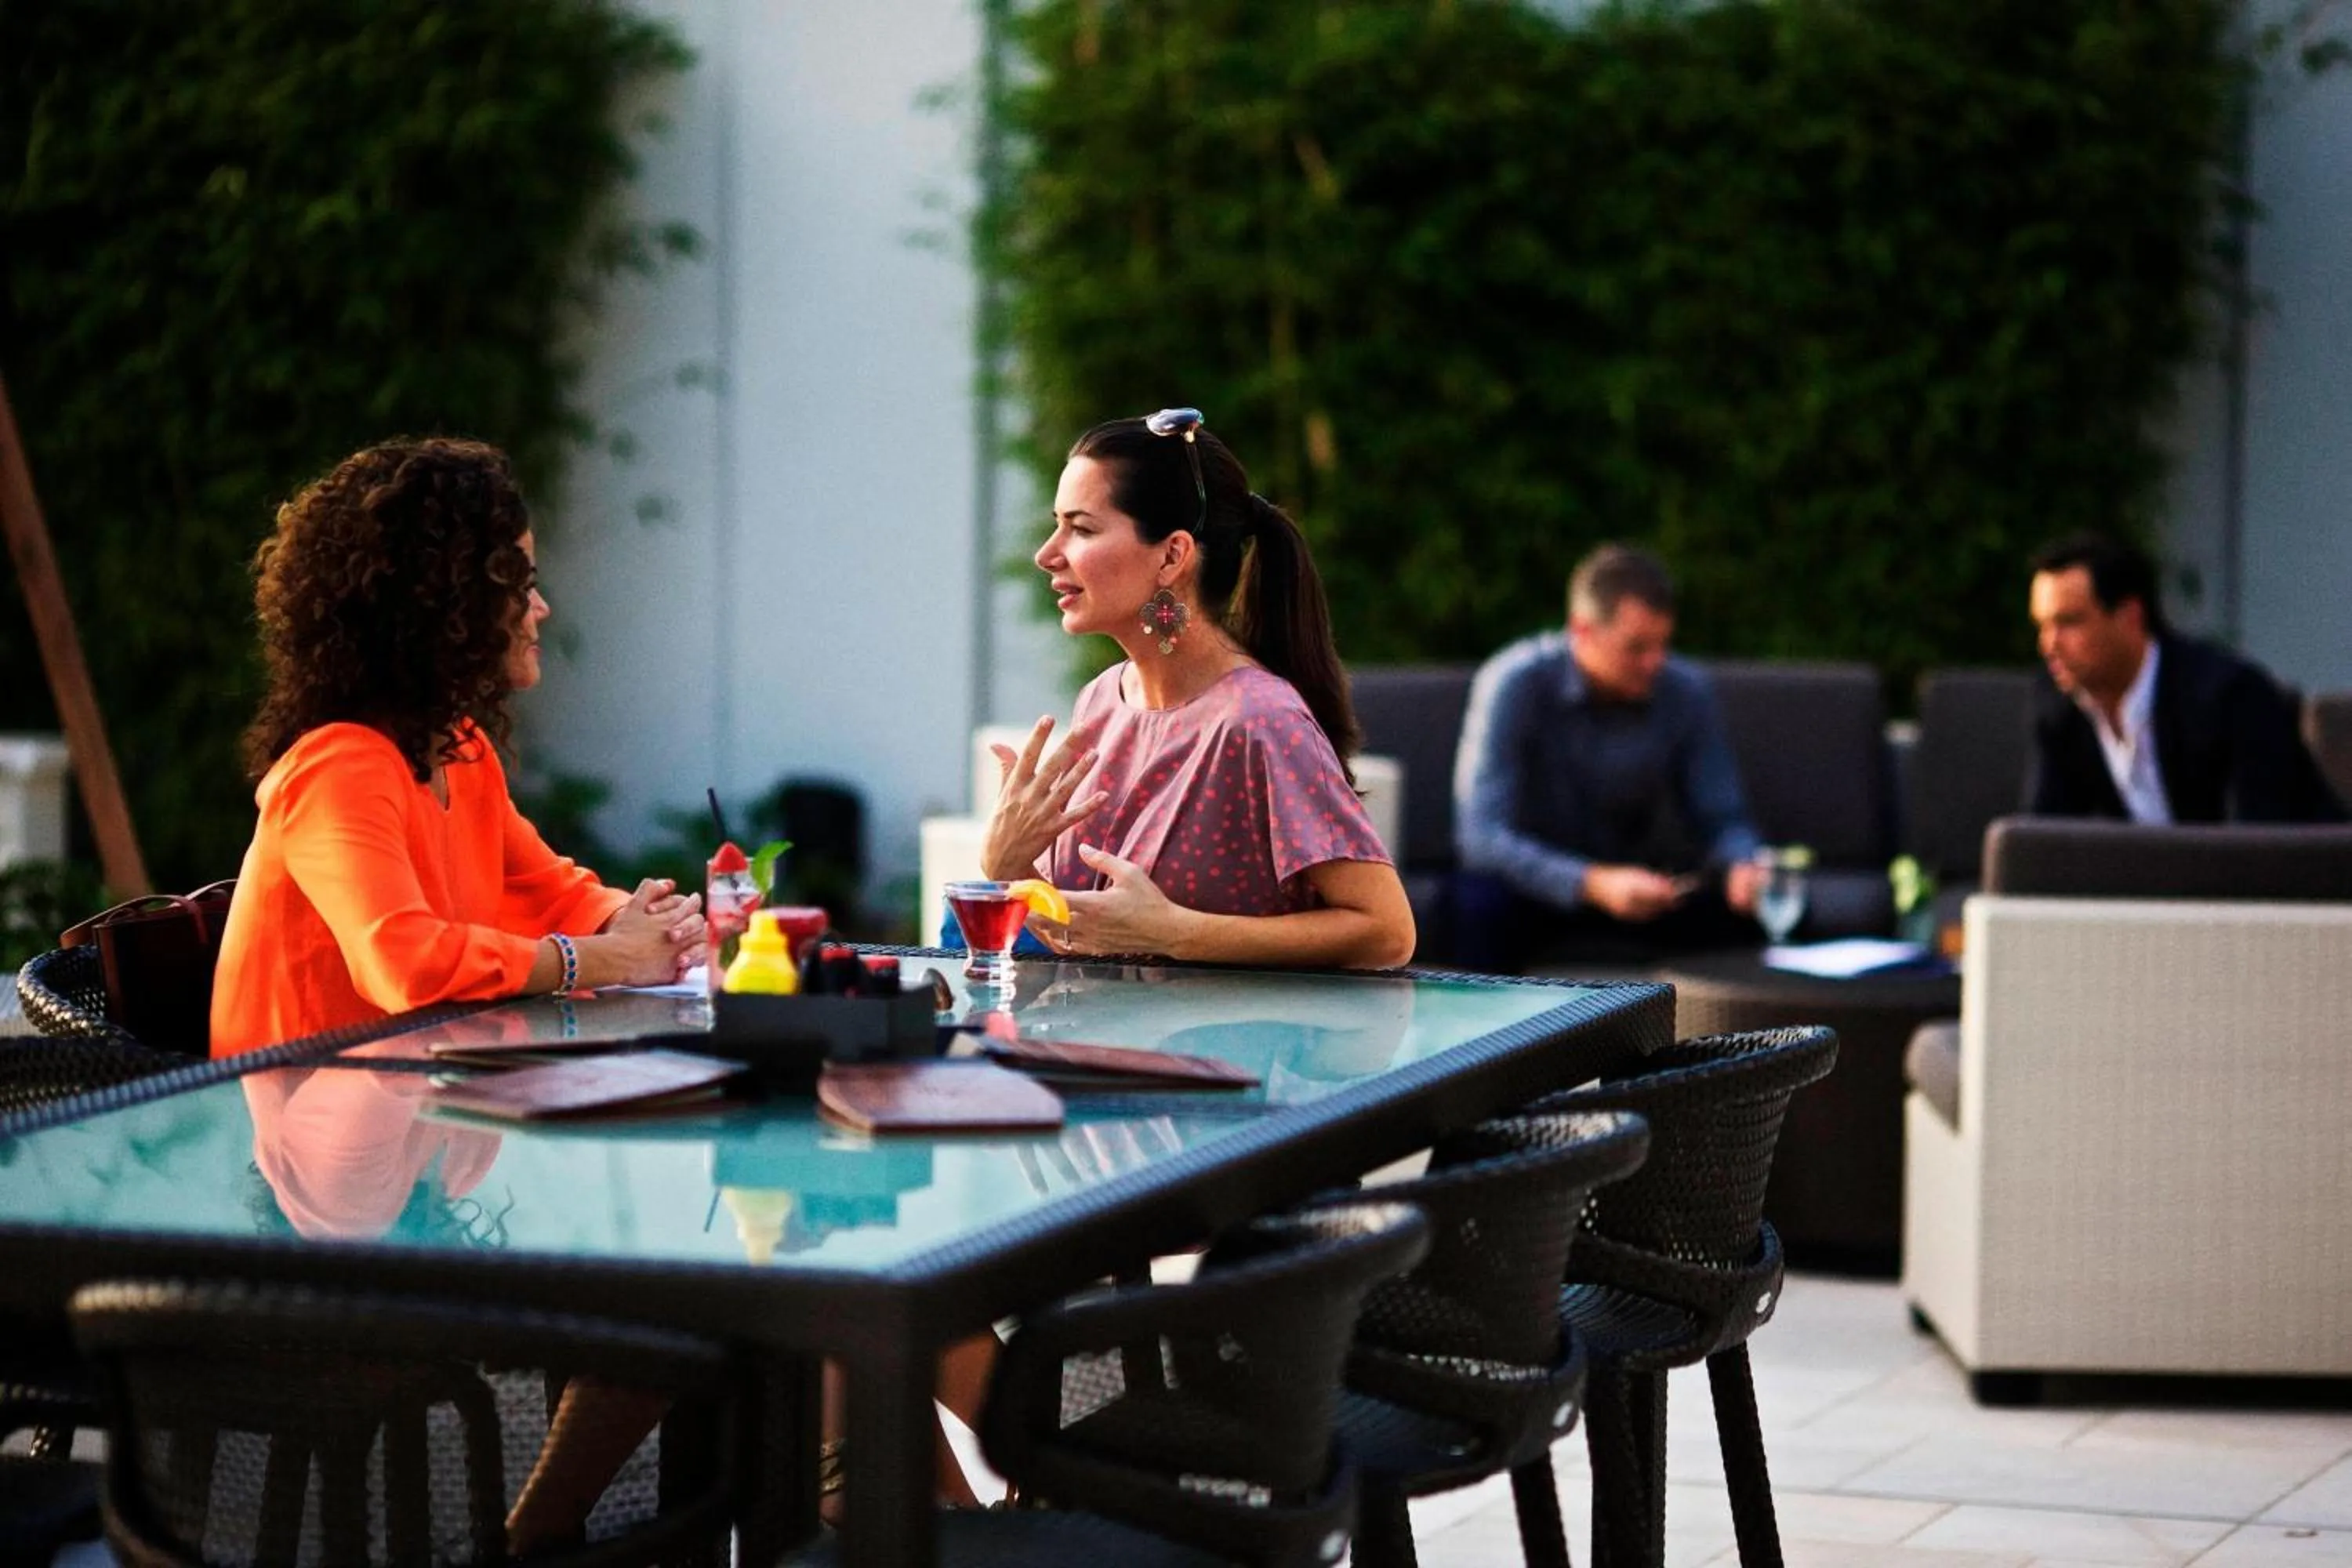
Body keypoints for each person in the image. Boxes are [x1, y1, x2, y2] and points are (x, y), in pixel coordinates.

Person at [211, 437, 705, 1058]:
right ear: (447, 604)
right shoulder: (336, 768)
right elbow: (406, 964)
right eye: (520, 583)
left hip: (419, 1106)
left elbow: (549, 891)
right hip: (306, 1122)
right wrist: (605, 959)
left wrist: (647, 930)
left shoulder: (458, 749)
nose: (541, 608)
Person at [982, 408, 1414, 969]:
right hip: (1095, 1046)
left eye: (1082, 528)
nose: (1047, 554)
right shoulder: (1101, 701)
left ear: (1172, 556)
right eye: (1057, 524)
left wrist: (1179, 934)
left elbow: (1387, 934)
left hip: (1229, 1054)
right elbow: (1082, 936)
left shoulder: (1260, 721)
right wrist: (1007, 866)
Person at [1452, 543, 1765, 971]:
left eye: (1662, 646)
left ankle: (1748, 1034)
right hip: (1535, 892)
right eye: (1636, 648)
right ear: (1582, 631)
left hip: (1645, 892)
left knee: (1752, 913)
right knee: (1475, 903)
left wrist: (1743, 865)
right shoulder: (1513, 683)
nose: (1654, 662)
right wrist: (1591, 884)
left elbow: (1723, 817)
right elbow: (1482, 838)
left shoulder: (1686, 691)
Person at [2025, 532, 2344, 824]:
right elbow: (2043, 840)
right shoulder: (2058, 708)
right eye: (2042, 626)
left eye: (2069, 623)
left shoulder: (2229, 695)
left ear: (2129, 617)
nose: (2049, 644)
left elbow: (2258, 845)